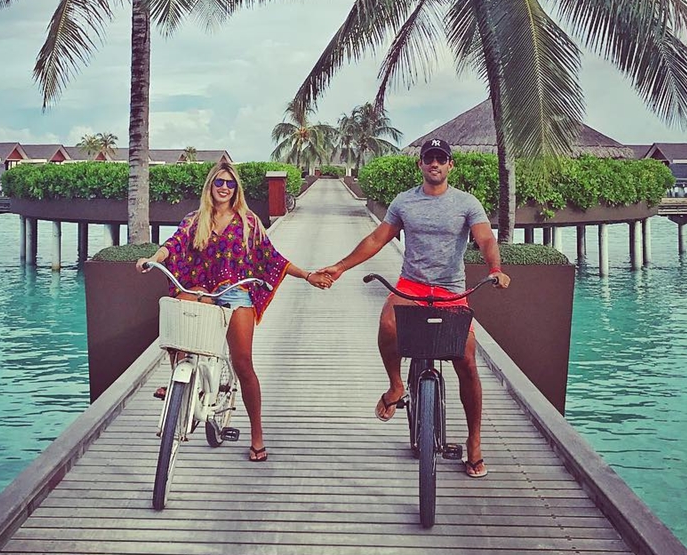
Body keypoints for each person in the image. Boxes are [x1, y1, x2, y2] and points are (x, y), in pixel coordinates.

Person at [316, 138, 510, 478]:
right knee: (388, 324)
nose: (434, 164)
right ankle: (396, 385)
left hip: (450, 289)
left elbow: (485, 239)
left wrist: (495, 268)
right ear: (420, 164)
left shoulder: (466, 203)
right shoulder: (405, 202)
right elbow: (378, 239)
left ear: (450, 166)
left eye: (441, 159)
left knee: (466, 359)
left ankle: (475, 440)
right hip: (412, 285)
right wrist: (341, 266)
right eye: (428, 159)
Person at [138, 161, 331, 462]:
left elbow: (273, 258)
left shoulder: (249, 222)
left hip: (237, 292)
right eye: (219, 183)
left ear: (236, 188)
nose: (224, 188)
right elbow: (173, 245)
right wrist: (153, 257)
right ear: (210, 187)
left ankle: (256, 434)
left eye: (230, 183)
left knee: (243, 364)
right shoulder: (195, 219)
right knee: (179, 318)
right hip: (201, 289)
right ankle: (181, 381)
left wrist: (308, 275)